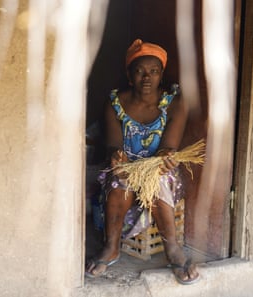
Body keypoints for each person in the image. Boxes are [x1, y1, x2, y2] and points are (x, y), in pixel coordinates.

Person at [85, 39, 200, 285]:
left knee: (158, 179)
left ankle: (173, 249)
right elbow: (114, 145)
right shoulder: (115, 103)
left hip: (158, 167)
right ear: (129, 75)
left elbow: (169, 147)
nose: (146, 78)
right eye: (139, 71)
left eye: (153, 72)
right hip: (126, 167)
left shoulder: (175, 103)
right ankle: (111, 246)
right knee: (118, 180)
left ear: (161, 75)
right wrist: (117, 157)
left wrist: (163, 161)